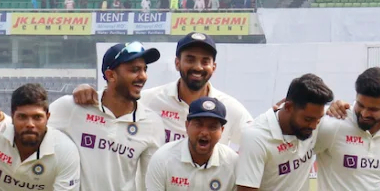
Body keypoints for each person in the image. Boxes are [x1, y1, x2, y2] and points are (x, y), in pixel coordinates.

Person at [51, 42, 165, 191]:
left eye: (144, 69)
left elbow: (154, 190)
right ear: (111, 75)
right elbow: (31, 133)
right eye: (134, 69)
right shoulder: (72, 107)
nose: (142, 76)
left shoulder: (151, 123)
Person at [72, 33, 253, 148]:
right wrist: (87, 90)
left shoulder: (231, 109)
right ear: (177, 63)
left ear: (214, 67)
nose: (197, 67)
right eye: (190, 59)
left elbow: (258, 143)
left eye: (205, 61)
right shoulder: (150, 100)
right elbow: (114, 102)